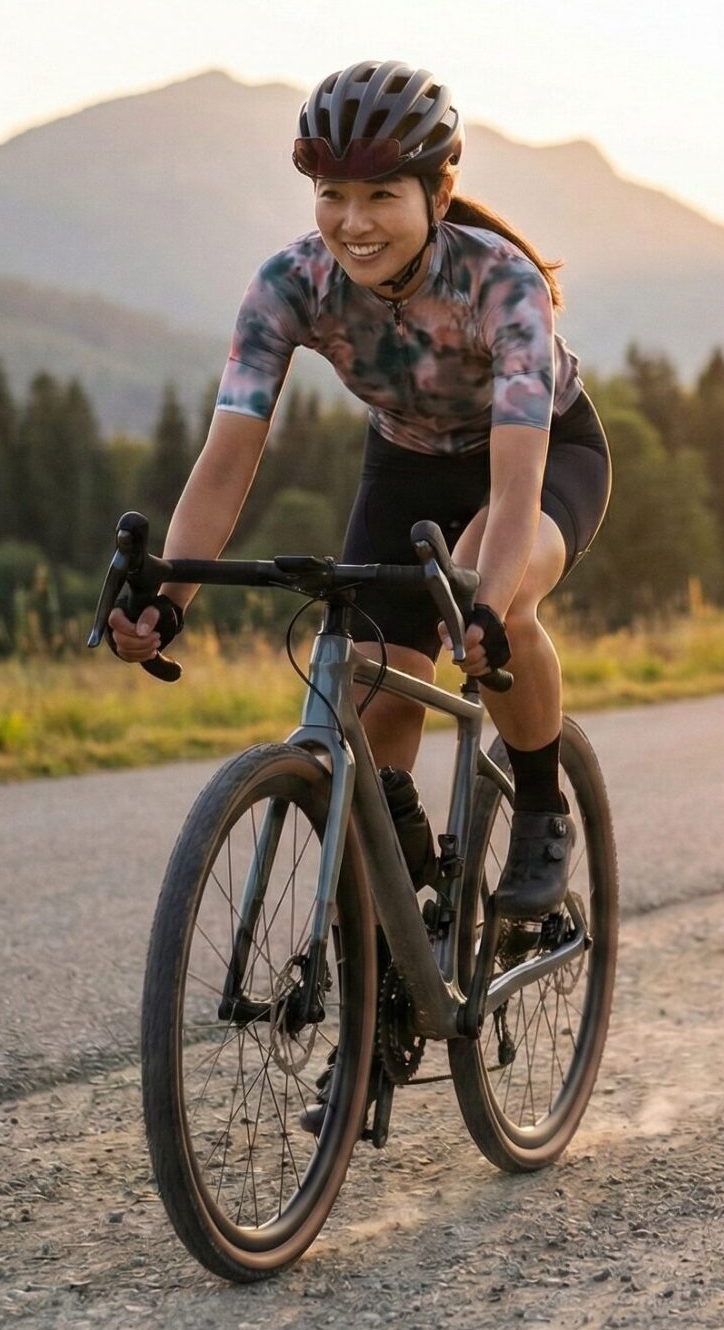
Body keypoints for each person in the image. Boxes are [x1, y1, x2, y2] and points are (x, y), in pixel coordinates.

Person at [107, 58, 609, 922]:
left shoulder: (503, 286)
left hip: (540, 455)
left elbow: (517, 474)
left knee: (499, 589)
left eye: (382, 196)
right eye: (334, 194)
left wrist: (483, 607)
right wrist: (171, 592)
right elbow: (227, 457)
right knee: (374, 691)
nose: (353, 221)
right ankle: (399, 889)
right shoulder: (287, 287)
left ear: (438, 194)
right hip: (407, 465)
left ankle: (539, 808)